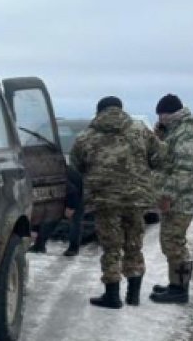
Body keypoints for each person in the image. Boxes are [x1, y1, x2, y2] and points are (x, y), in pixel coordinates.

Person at [69, 96, 163, 309]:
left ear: (98, 111)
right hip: (136, 199)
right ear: (121, 109)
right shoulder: (140, 131)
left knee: (111, 247)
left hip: (105, 200)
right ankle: (133, 295)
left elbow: (76, 165)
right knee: (134, 245)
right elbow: (159, 158)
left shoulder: (86, 136)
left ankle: (112, 296)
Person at [149, 94, 193, 303]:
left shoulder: (188, 131)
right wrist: (159, 135)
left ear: (170, 113)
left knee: (173, 242)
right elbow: (165, 158)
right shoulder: (176, 130)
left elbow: (184, 169)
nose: (160, 119)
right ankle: (175, 284)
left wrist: (167, 195)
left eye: (162, 115)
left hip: (181, 198)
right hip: (177, 197)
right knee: (170, 241)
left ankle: (179, 290)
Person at [28, 165, 85, 256]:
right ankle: (39, 246)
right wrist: (34, 229)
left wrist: (71, 207)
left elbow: (72, 191)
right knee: (50, 221)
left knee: (75, 222)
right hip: (59, 197)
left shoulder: (54, 176)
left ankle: (73, 248)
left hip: (76, 195)